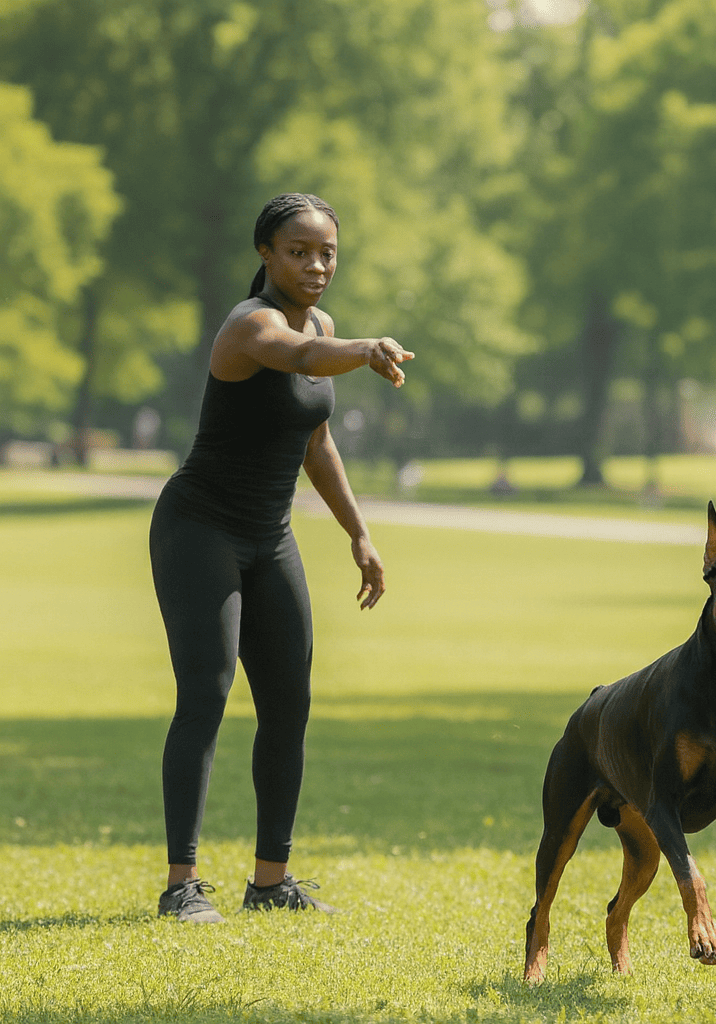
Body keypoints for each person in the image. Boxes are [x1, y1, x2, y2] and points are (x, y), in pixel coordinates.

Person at [149, 193, 414, 923]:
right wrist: (363, 350)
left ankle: (271, 882)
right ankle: (181, 886)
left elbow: (315, 441)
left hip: (269, 536)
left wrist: (359, 533)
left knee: (289, 706)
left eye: (327, 251)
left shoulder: (322, 324)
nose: (316, 264)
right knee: (205, 695)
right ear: (266, 252)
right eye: (299, 250)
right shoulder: (251, 325)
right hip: (199, 527)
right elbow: (294, 356)